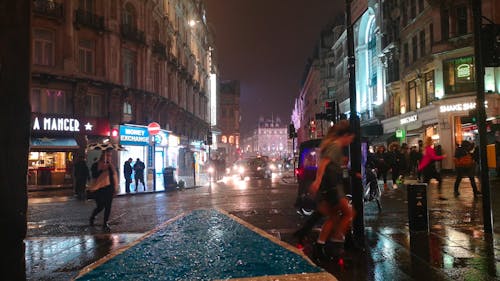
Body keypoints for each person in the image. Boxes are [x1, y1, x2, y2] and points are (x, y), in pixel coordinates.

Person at [308, 120, 355, 261]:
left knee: (333, 217)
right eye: (351, 137)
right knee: (349, 213)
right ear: (346, 135)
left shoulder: (335, 146)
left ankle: (320, 246)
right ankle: (337, 241)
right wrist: (317, 181)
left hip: (331, 187)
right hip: (333, 187)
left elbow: (331, 165)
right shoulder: (335, 146)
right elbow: (323, 164)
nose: (352, 140)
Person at [88, 149, 118, 231]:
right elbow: (94, 176)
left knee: (108, 206)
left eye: (110, 156)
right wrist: (101, 170)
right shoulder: (96, 165)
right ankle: (92, 217)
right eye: (107, 155)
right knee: (100, 206)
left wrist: (115, 188)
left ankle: (105, 223)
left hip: (109, 188)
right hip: (99, 189)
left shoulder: (111, 166)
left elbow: (114, 177)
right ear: (102, 156)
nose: (109, 157)